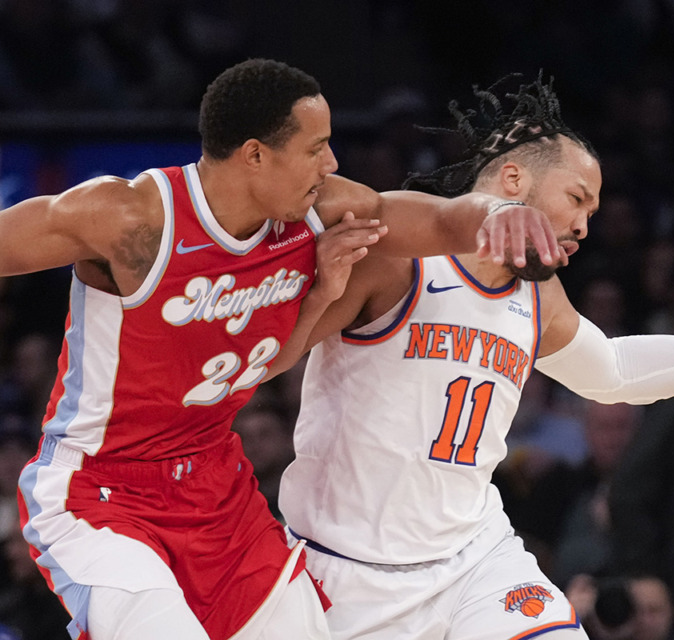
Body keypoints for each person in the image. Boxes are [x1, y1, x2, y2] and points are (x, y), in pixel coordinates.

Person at [272, 72, 674, 639]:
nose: (581, 226)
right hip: (347, 567)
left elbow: (614, 372)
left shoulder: (536, 292)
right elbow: (265, 353)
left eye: (592, 215)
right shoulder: (395, 257)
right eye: (576, 199)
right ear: (513, 177)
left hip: (475, 559)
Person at [0, 58, 564, 640]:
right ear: (254, 155)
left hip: (215, 486)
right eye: (316, 148)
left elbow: (444, 222)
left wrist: (498, 212)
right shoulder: (129, 218)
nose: (332, 164)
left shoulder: (316, 215)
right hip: (102, 490)